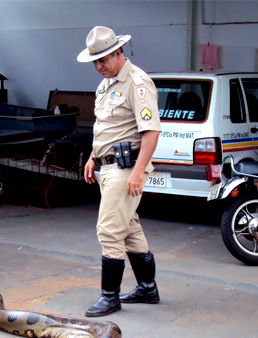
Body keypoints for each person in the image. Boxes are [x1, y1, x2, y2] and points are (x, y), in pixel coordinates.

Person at [78, 26, 161, 317]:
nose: (99, 67)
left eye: (103, 60)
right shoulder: (106, 84)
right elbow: (105, 128)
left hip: (127, 168)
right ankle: (148, 288)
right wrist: (92, 157)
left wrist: (138, 173)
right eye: (95, 62)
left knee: (109, 230)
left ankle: (109, 296)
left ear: (118, 52)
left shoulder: (138, 83)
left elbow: (151, 132)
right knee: (128, 227)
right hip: (108, 165)